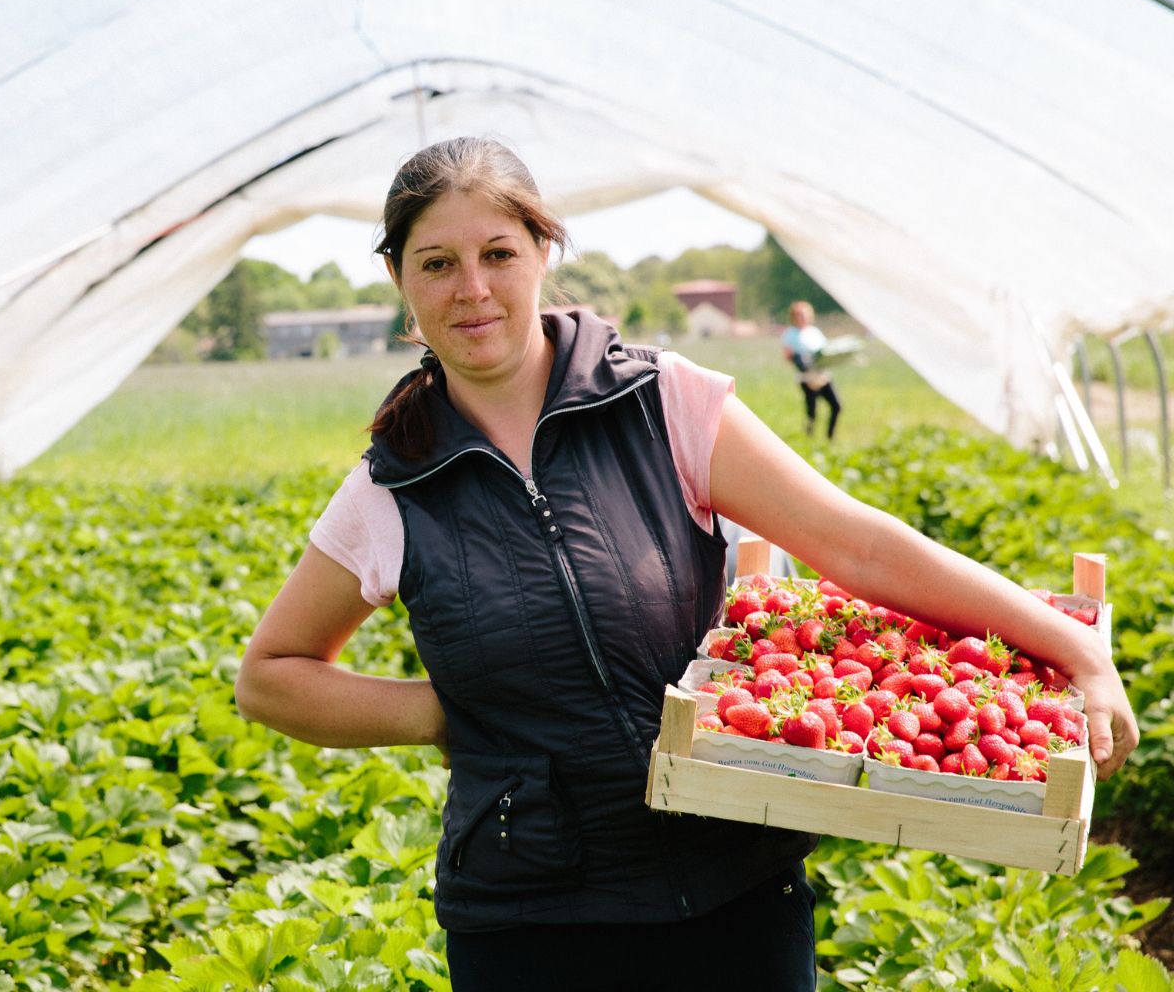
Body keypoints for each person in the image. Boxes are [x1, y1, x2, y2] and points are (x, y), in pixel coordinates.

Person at [231, 137, 1138, 991]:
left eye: (499, 253)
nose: (473, 289)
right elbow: (272, 678)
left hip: (734, 894)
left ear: (544, 252)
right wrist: (448, 714)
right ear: (398, 280)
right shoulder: (393, 485)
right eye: (436, 263)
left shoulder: (663, 402)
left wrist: (1072, 646)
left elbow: (855, 542)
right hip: (527, 922)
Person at [781, 300, 841, 439]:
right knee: (812, 411)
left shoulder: (815, 332)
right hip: (807, 377)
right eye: (798, 315)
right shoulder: (790, 334)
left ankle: (830, 437)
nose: (802, 318)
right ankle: (809, 438)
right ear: (793, 317)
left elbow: (826, 350)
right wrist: (799, 359)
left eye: (804, 315)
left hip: (822, 375)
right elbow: (788, 355)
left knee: (836, 406)